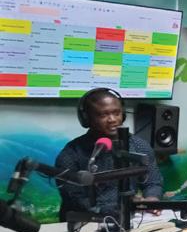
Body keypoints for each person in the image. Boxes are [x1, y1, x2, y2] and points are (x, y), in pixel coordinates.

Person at [55, 88, 163, 221]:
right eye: (103, 115)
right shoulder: (71, 154)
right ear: (87, 118)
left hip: (130, 219)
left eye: (116, 113)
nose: (112, 119)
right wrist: (120, 208)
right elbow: (76, 200)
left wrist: (152, 198)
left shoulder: (139, 146)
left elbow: (153, 182)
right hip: (86, 222)